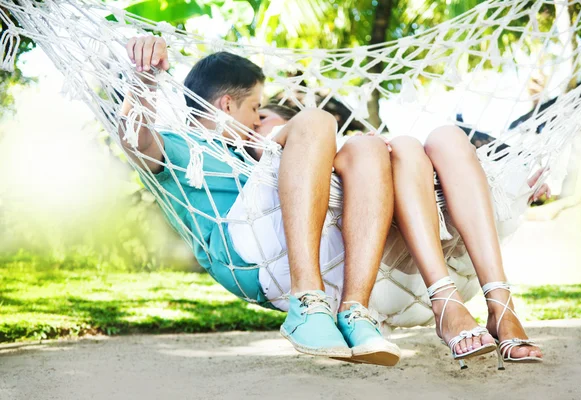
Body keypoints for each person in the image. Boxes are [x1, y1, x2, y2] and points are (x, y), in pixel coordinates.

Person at [119, 36, 402, 366]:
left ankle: (355, 311)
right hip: (242, 250)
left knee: (363, 149)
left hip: (283, 248)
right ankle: (307, 300)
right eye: (254, 107)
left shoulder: (247, 157)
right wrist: (144, 77)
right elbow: (134, 141)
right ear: (227, 105)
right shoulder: (177, 145)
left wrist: (368, 160)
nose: (257, 120)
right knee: (315, 119)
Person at [237, 104, 548, 368]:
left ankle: (499, 304)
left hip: (414, 200)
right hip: (367, 239)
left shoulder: (343, 144)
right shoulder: (269, 166)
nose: (252, 122)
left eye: (261, 116)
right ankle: (447, 302)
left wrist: (516, 182)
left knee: (439, 137)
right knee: (372, 143)